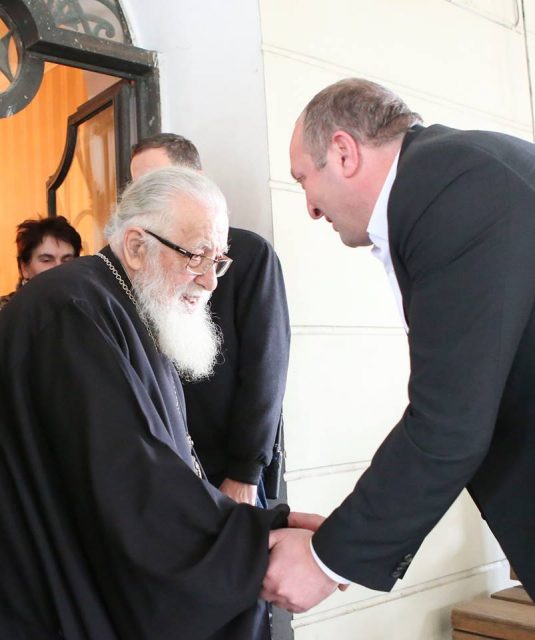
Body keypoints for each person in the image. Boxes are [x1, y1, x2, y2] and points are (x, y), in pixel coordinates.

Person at [262, 77, 535, 612]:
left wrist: (324, 560)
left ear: (344, 152)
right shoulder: (452, 172)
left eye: (303, 179)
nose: (310, 208)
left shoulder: (453, 189)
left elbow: (450, 423)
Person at [0, 167, 288, 640]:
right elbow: (128, 481)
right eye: (197, 256)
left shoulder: (130, 305)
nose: (210, 282)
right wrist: (252, 542)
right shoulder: (70, 311)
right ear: (136, 247)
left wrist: (254, 528)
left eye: (218, 261)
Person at [131, 134, 291, 508]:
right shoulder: (137, 261)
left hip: (229, 471)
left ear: (198, 180)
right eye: (139, 187)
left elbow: (266, 369)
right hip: (165, 471)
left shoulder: (249, 255)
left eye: (161, 181)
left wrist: (245, 472)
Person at [0, 215, 82, 309]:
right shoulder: (6, 312)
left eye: (67, 261)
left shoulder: (87, 309)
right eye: (46, 260)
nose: (58, 267)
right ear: (24, 267)